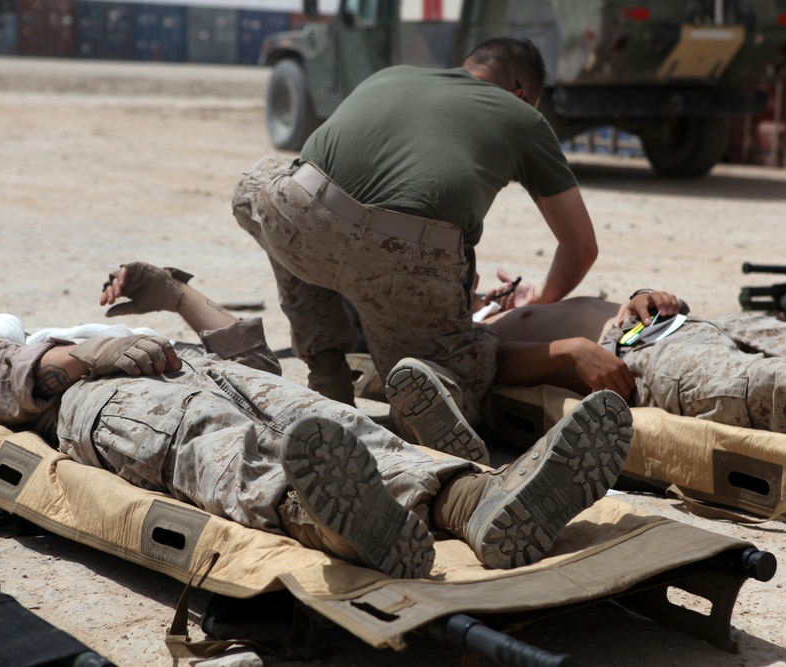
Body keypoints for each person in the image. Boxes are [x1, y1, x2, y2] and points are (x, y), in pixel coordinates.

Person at [0, 262, 633, 578]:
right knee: (216, 448)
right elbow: (18, 388)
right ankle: (331, 519)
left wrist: (176, 295)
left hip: (193, 364)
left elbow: (248, 354)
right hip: (104, 401)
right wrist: (92, 354)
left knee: (328, 422)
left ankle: (477, 502)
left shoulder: (55, 327)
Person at [232, 37, 600, 467]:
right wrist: (540, 300)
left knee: (257, 187)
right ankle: (428, 392)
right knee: (462, 368)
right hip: (402, 262)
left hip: (303, 220)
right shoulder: (524, 118)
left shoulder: (392, 75)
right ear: (521, 92)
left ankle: (326, 370)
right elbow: (580, 248)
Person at [475, 276, 786, 461]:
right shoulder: (467, 331)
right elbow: (489, 364)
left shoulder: (519, 303)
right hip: (646, 357)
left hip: (691, 325)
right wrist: (569, 351)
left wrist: (644, 295)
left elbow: (615, 304)